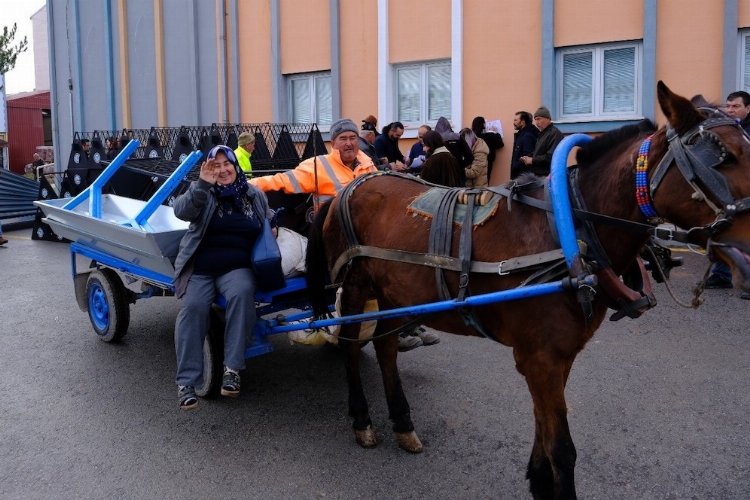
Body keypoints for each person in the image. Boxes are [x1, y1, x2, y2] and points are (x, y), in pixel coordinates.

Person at [171, 145, 274, 410]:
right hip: (202, 268)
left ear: (235, 166)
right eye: (215, 165)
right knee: (193, 309)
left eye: (226, 163)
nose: (222, 170)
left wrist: (275, 226)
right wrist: (202, 185)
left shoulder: (252, 194)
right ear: (207, 170)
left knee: (242, 294)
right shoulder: (203, 192)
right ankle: (186, 383)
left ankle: (232, 369)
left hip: (236, 267)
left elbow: (267, 218)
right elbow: (180, 211)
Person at [250, 118, 377, 206]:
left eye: (352, 138)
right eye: (343, 138)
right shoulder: (318, 166)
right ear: (333, 144)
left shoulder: (368, 165)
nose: (349, 143)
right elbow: (281, 180)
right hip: (332, 232)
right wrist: (246, 185)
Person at [704, 90, 750, 300]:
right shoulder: (725, 129)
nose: (730, 110)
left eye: (736, 106)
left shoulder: (744, 133)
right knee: (723, 228)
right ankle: (722, 274)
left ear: (747, 108)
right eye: (728, 106)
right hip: (730, 191)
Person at [519, 106, 563, 176]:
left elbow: (551, 157)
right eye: (535, 120)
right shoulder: (542, 133)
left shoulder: (555, 133)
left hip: (548, 175)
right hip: (538, 174)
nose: (537, 122)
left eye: (539, 119)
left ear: (548, 118)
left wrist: (532, 160)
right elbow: (539, 151)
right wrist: (528, 157)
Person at [434, 116, 473, 180]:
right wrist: (460, 165)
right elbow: (470, 156)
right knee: (458, 190)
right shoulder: (457, 137)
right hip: (458, 174)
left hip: (441, 176)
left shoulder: (435, 139)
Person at [471, 116, 504, 180]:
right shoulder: (490, 136)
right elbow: (500, 144)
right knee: (484, 181)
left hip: (473, 162)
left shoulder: (471, 136)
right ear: (483, 125)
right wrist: (496, 133)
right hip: (487, 161)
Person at [510, 111, 538, 179]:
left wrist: (516, 167)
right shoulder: (521, 134)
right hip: (520, 175)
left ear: (523, 122)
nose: (514, 123)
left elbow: (528, 157)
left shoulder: (527, 136)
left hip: (523, 177)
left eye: (516, 120)